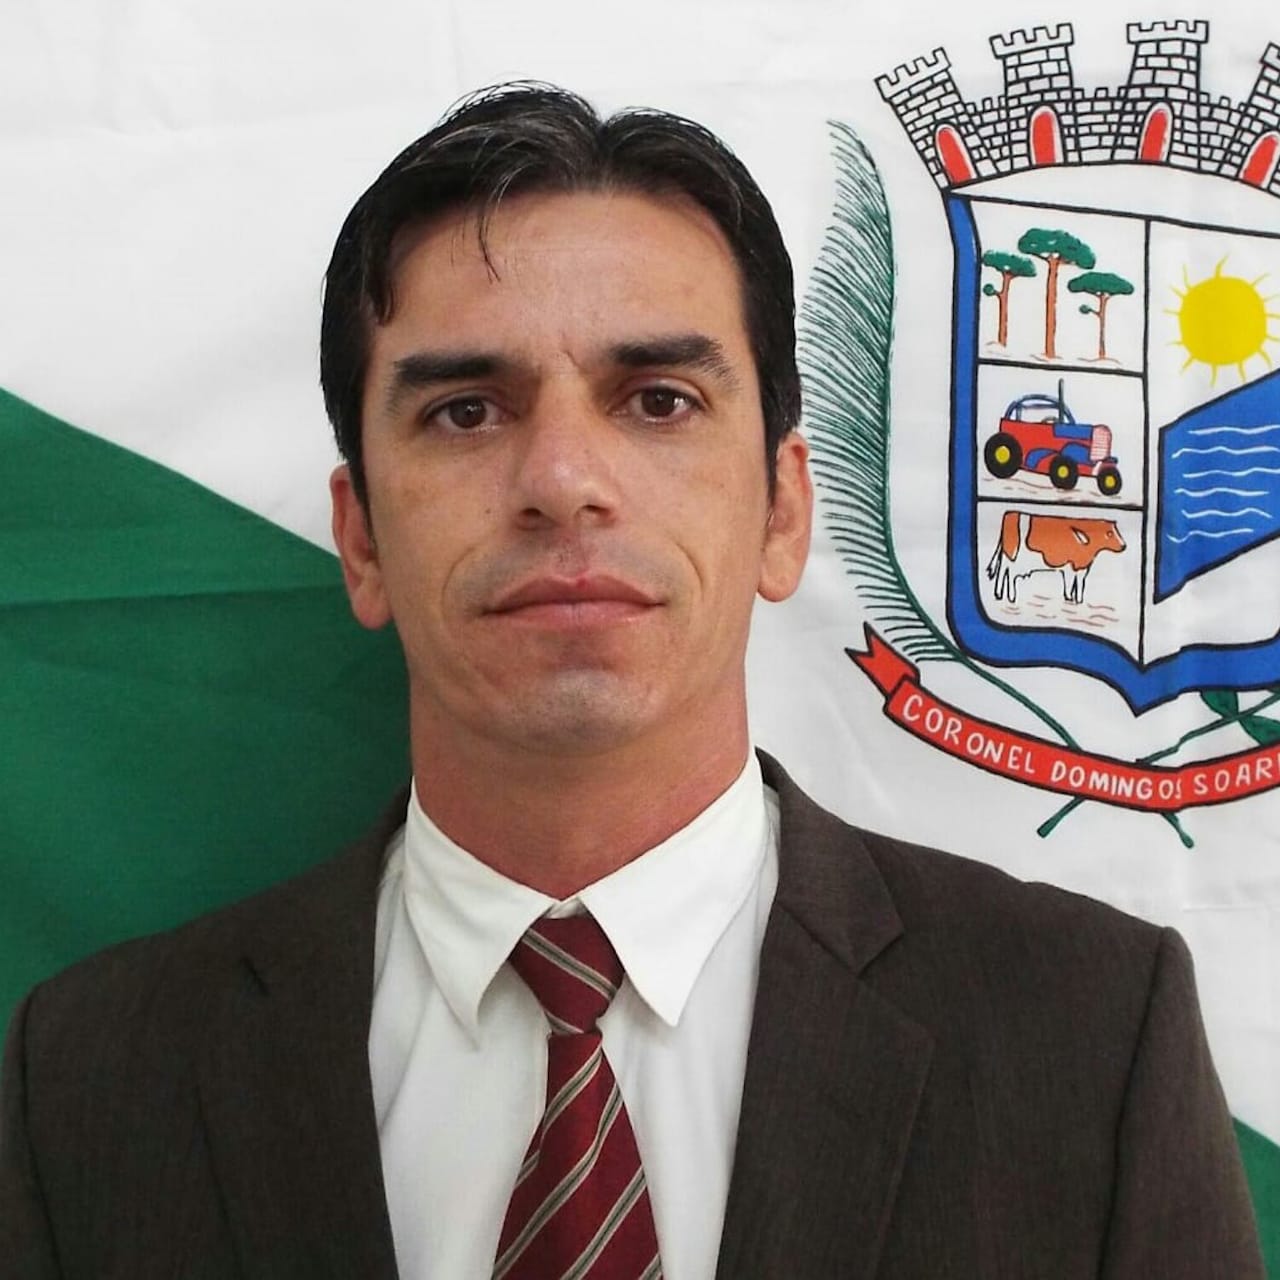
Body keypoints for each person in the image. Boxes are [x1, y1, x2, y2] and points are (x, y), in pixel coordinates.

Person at [0, 83, 1264, 1279]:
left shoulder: (1088, 1037)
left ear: (781, 511)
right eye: (465, 411)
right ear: (362, 538)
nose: (563, 479)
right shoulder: (91, 1074)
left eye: (656, 400)